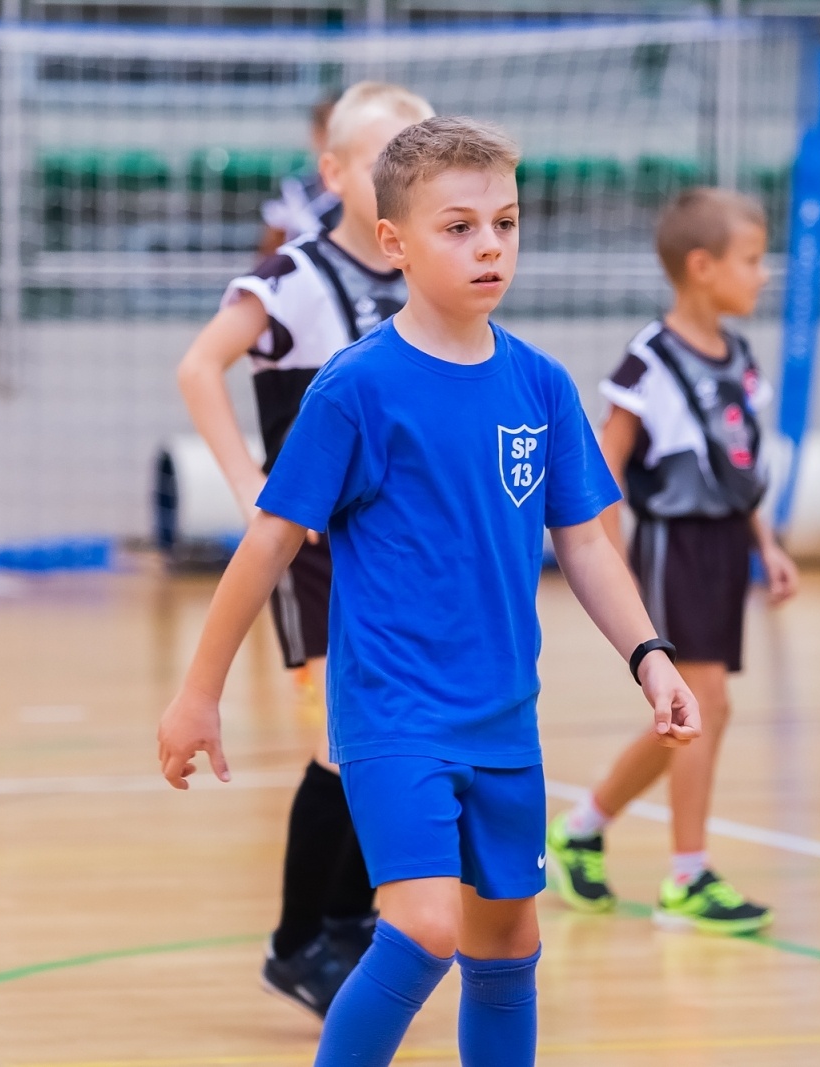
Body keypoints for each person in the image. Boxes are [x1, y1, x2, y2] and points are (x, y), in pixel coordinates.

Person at [158, 115, 701, 1067]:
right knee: (423, 927)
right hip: (392, 713)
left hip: (504, 717)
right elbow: (267, 545)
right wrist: (197, 691)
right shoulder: (355, 388)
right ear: (394, 241)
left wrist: (650, 657)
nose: (489, 244)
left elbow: (585, 544)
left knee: (508, 948)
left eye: (506, 222)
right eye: (460, 226)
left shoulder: (540, 384)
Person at [175, 81, 434, 1018]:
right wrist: (251, 484)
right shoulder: (294, 279)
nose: (403, 176)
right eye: (381, 159)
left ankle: (351, 922)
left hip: (402, 555)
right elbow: (200, 365)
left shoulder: (424, 279)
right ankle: (299, 942)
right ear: (332, 172)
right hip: (321, 551)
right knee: (343, 741)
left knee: (389, 737)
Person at [546, 188, 799, 935]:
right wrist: (612, 563)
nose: (763, 275)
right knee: (707, 703)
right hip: (669, 548)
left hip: (724, 545)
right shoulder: (648, 361)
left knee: (693, 713)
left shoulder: (742, 357)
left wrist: (766, 542)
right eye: (751, 261)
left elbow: (736, 462)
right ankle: (687, 874)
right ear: (701, 266)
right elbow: (602, 468)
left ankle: (584, 825)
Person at [258, 95, 343, 256]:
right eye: (335, 132)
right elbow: (268, 253)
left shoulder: (365, 193)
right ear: (317, 134)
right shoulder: (293, 190)